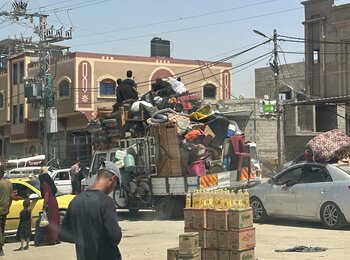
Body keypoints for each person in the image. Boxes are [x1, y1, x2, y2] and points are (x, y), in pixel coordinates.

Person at [59, 161, 122, 260]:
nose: (113, 188)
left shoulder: (76, 201)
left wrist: (83, 237)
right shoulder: (106, 202)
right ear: (112, 179)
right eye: (116, 184)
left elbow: (62, 233)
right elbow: (114, 237)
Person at [38, 166, 60, 245]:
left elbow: (46, 195)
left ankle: (51, 239)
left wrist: (44, 205)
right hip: (54, 201)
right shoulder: (50, 182)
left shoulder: (44, 184)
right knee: (55, 220)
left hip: (49, 204)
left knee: (50, 221)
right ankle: (56, 238)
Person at [0, 166, 13, 256]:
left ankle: (0, 247)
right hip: (5, 210)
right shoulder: (8, 183)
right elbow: (11, 197)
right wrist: (9, 207)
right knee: (2, 229)